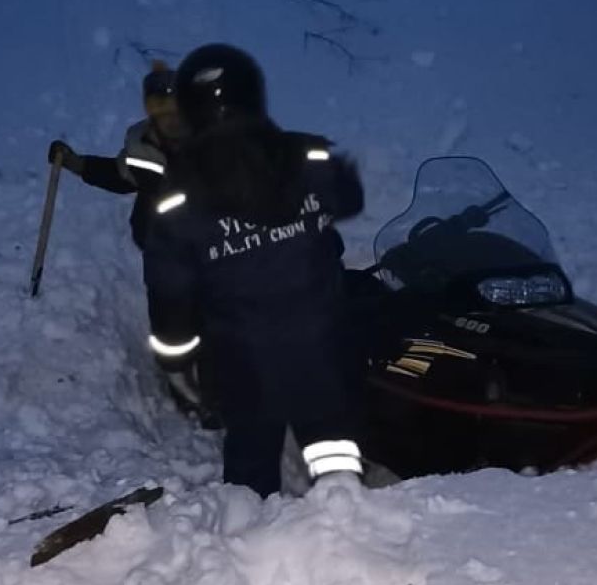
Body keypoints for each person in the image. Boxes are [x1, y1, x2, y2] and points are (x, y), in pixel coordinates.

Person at [142, 43, 366, 497]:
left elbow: (170, 296)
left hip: (243, 364)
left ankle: (254, 539)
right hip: (321, 351)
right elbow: (350, 197)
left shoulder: (175, 201)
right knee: (334, 453)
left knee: (250, 466)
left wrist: (175, 360)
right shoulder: (309, 160)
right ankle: (347, 518)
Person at [47, 60, 183, 249]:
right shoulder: (142, 146)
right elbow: (120, 176)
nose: (167, 114)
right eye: (157, 105)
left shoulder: (214, 142)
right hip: (163, 255)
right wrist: (74, 162)